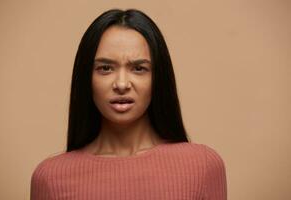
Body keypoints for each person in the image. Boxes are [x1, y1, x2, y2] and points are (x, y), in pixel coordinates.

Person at [30, 8, 227, 200]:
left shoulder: (203, 166)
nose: (122, 84)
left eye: (139, 68)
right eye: (105, 68)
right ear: (86, 78)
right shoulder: (51, 177)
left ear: (158, 78)